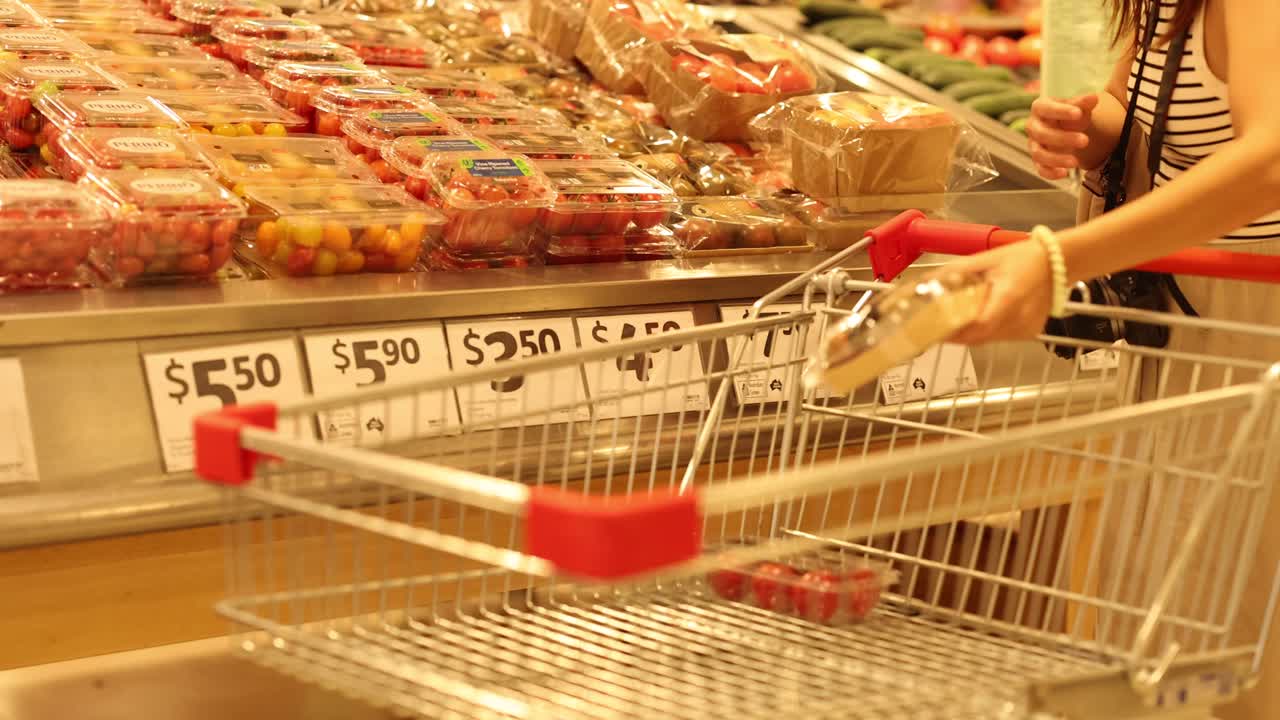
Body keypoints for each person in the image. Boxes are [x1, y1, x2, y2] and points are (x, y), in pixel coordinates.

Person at [944, 1, 1280, 717]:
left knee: (1219, 637)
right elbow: (1149, 104)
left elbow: (1272, 159)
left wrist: (1059, 256)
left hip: (1254, 327)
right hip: (1185, 328)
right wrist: (1093, 131)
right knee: (1154, 616)